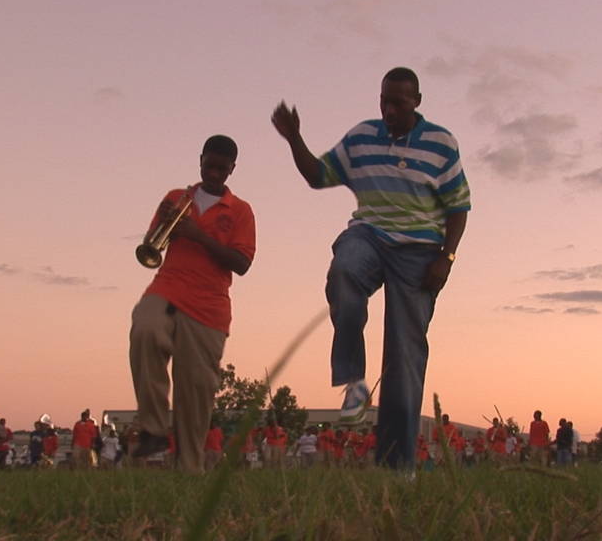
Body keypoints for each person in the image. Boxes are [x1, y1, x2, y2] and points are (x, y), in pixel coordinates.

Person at [271, 67, 471, 471]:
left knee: (404, 353)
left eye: (398, 101)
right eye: (384, 100)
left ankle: (397, 466)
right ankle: (354, 382)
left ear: (417, 100)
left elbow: (459, 207)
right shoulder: (362, 136)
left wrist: (445, 259)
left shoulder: (440, 143)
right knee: (344, 268)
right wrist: (294, 138)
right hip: (369, 235)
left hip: (420, 249)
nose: (389, 109)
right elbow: (318, 175)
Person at [129, 134, 256, 474]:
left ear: (232, 169)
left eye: (221, 168)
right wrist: (168, 227)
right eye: (209, 165)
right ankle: (154, 428)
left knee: (195, 394)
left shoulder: (241, 210)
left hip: (209, 306)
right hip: (168, 289)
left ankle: (190, 470)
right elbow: (151, 242)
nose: (214, 173)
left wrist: (198, 235)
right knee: (145, 328)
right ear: (200, 160)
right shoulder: (175, 197)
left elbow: (242, 263)